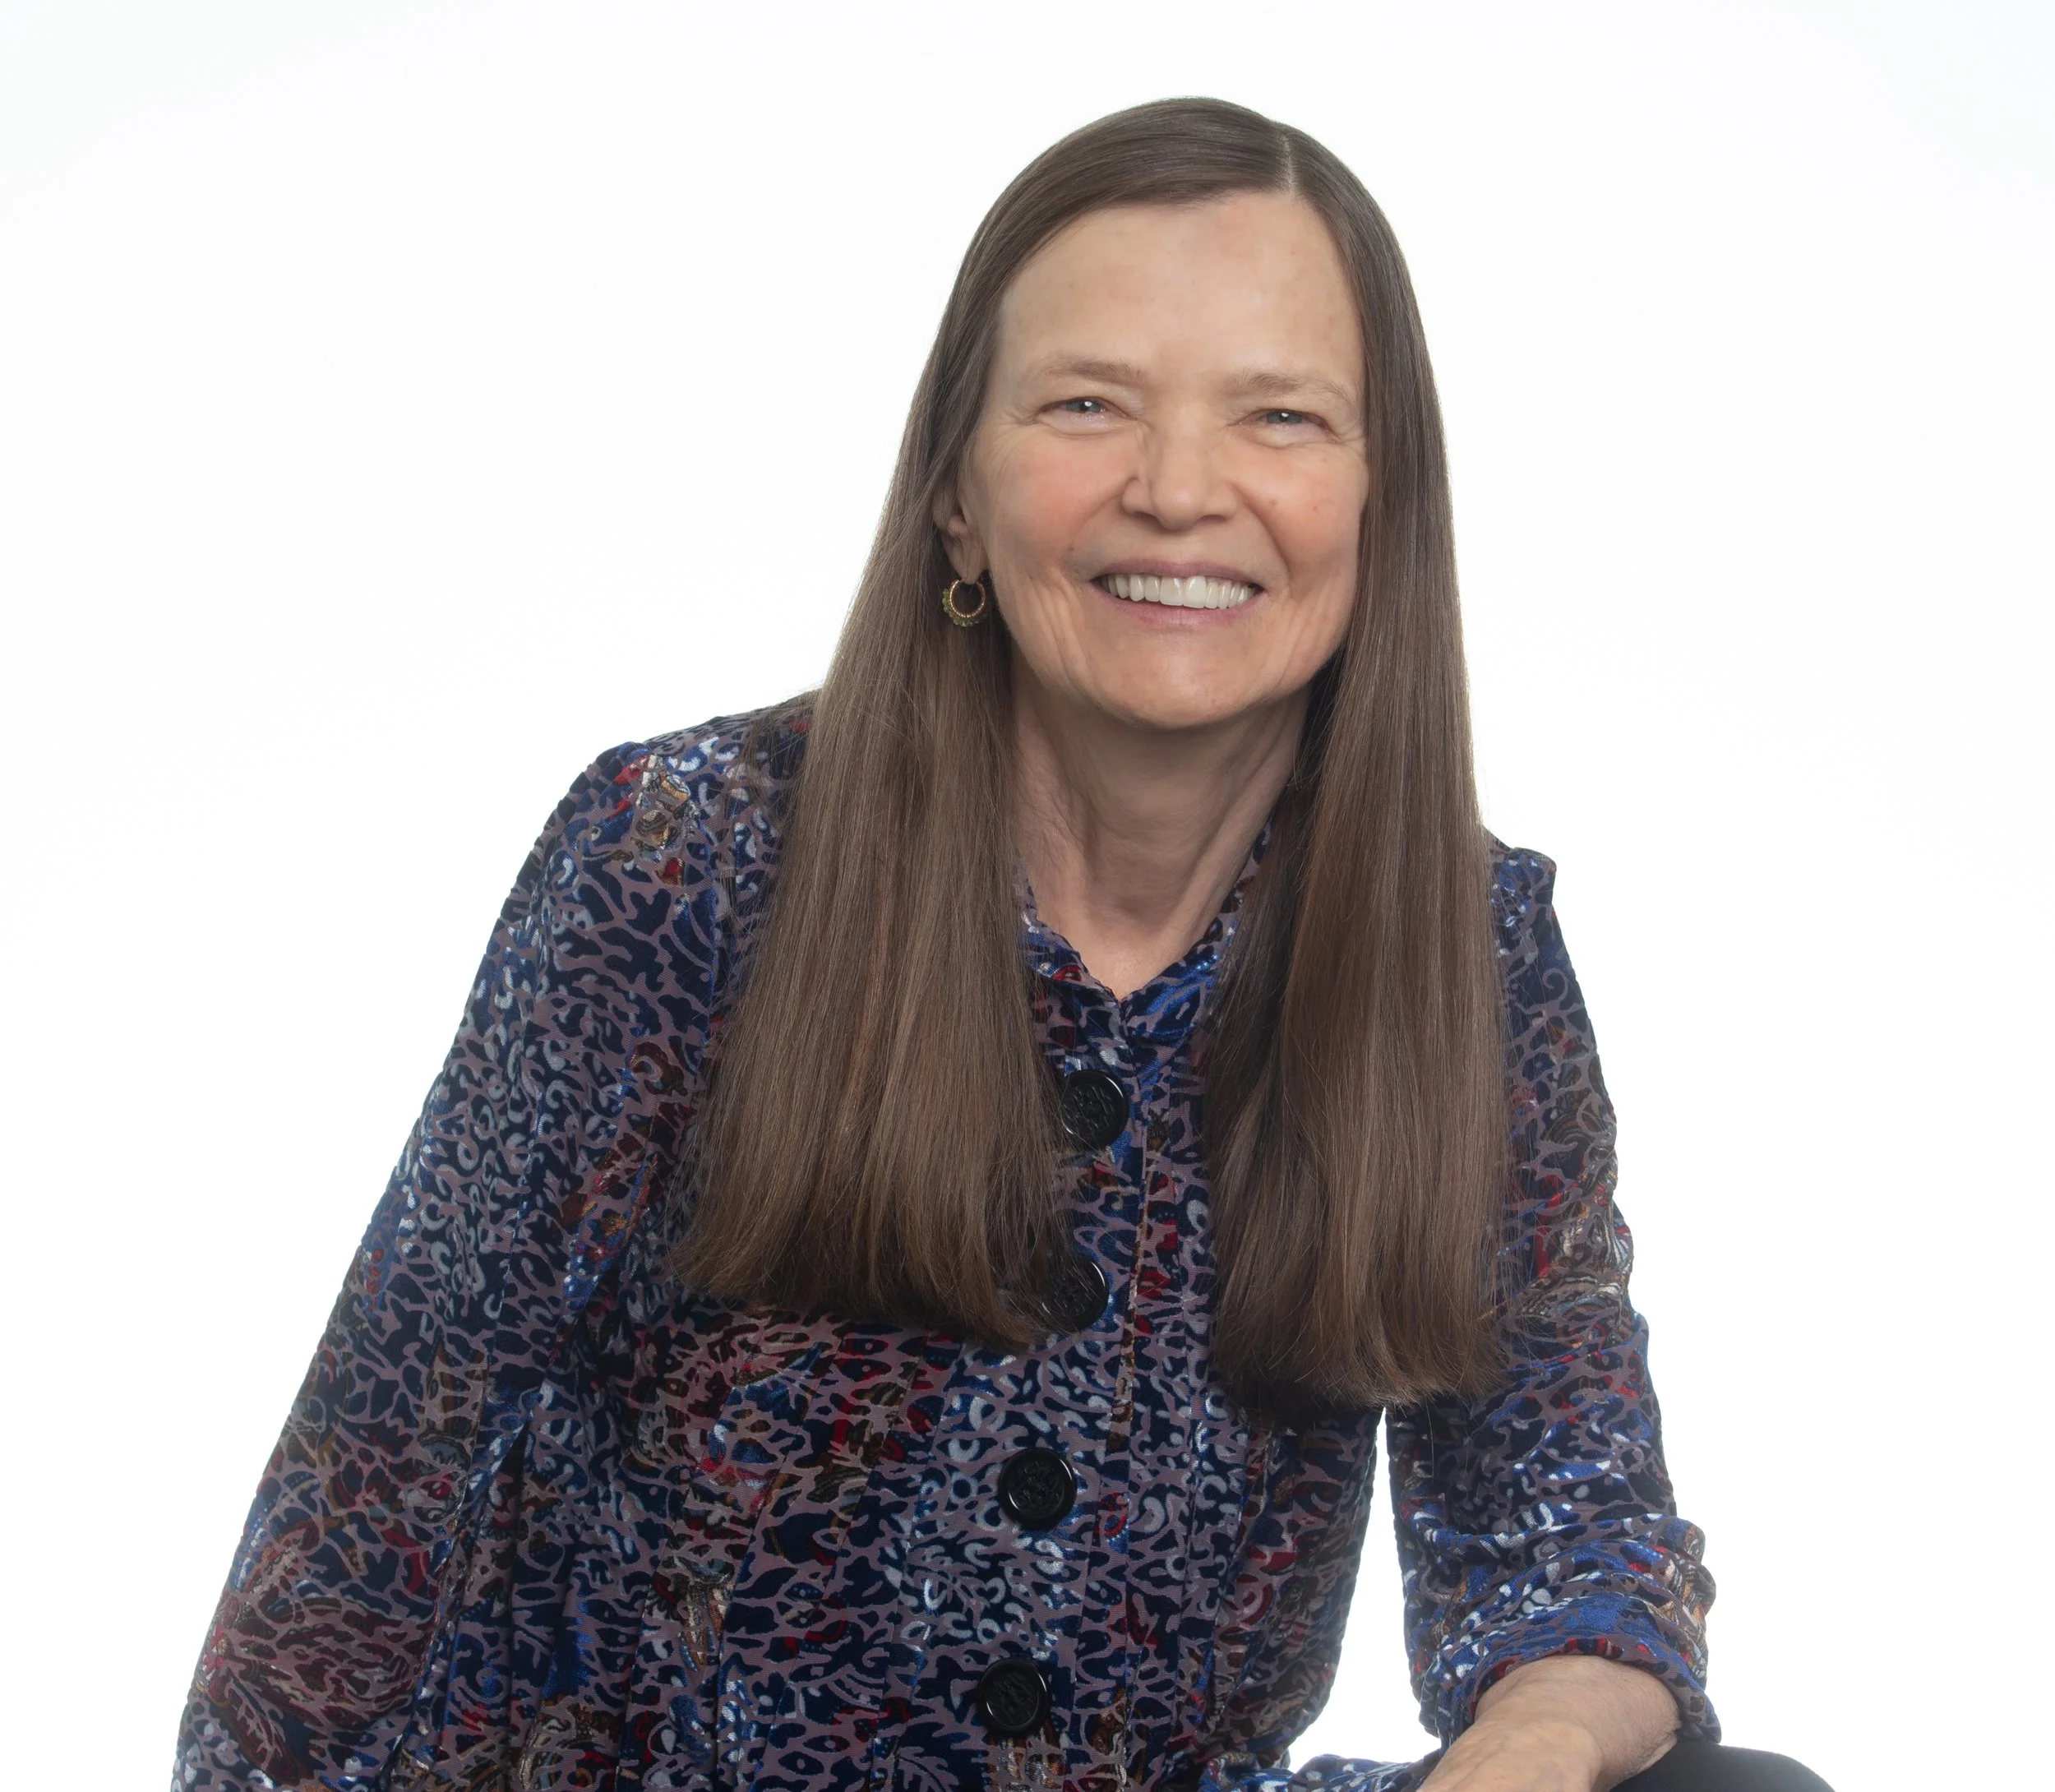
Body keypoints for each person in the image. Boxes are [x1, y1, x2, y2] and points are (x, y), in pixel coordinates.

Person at [175, 99, 1827, 1792]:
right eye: (1086, 403)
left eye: (1277, 415)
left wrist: (1536, 1744)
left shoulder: (1465, 961)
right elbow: (362, 1523)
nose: (1179, 490)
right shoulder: (682, 859)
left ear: (1378, 507)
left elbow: (1575, 1541)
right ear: (955, 500)